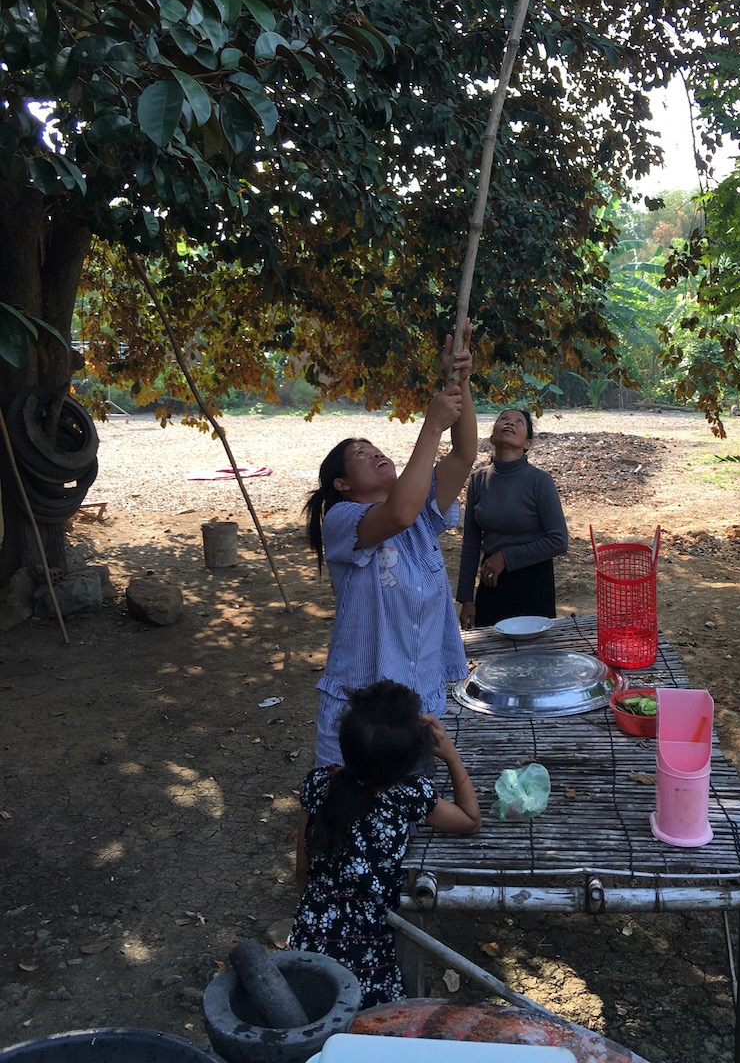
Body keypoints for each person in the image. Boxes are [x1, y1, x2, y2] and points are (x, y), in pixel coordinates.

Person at [305, 326, 476, 766]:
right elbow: (396, 513)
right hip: (359, 709)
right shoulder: (342, 520)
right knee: (340, 810)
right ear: (342, 484)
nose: (377, 453)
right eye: (362, 454)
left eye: (377, 447)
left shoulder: (419, 509)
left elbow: (463, 457)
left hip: (415, 703)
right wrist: (432, 425)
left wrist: (462, 380)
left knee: (407, 814)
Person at [288, 679, 481, 1008]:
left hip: (308, 942)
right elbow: (470, 820)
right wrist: (451, 756)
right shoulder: (410, 795)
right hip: (373, 958)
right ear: (408, 761)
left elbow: (302, 871)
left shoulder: (317, 783)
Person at [456, 407, 568, 628]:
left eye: (519, 422)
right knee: (490, 655)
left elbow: (558, 540)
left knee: (532, 657)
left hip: (533, 582)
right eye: (504, 419)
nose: (510, 423)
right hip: (491, 582)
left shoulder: (540, 482)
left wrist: (506, 557)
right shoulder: (478, 480)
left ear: (527, 443)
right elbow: (470, 543)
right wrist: (466, 598)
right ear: (492, 436)